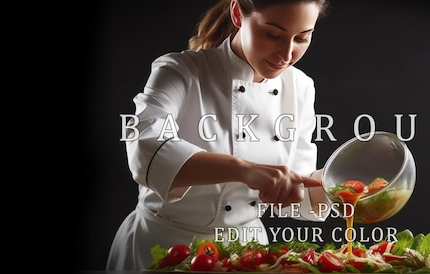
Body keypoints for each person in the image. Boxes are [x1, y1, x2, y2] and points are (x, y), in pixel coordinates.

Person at [106, 0, 331, 270]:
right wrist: (244, 170)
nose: (286, 54)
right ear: (238, 14)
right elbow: (146, 149)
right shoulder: (180, 71)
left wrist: (335, 184)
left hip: (246, 253)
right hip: (162, 247)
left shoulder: (301, 87)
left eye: (302, 38)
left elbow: (295, 187)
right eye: (273, 34)